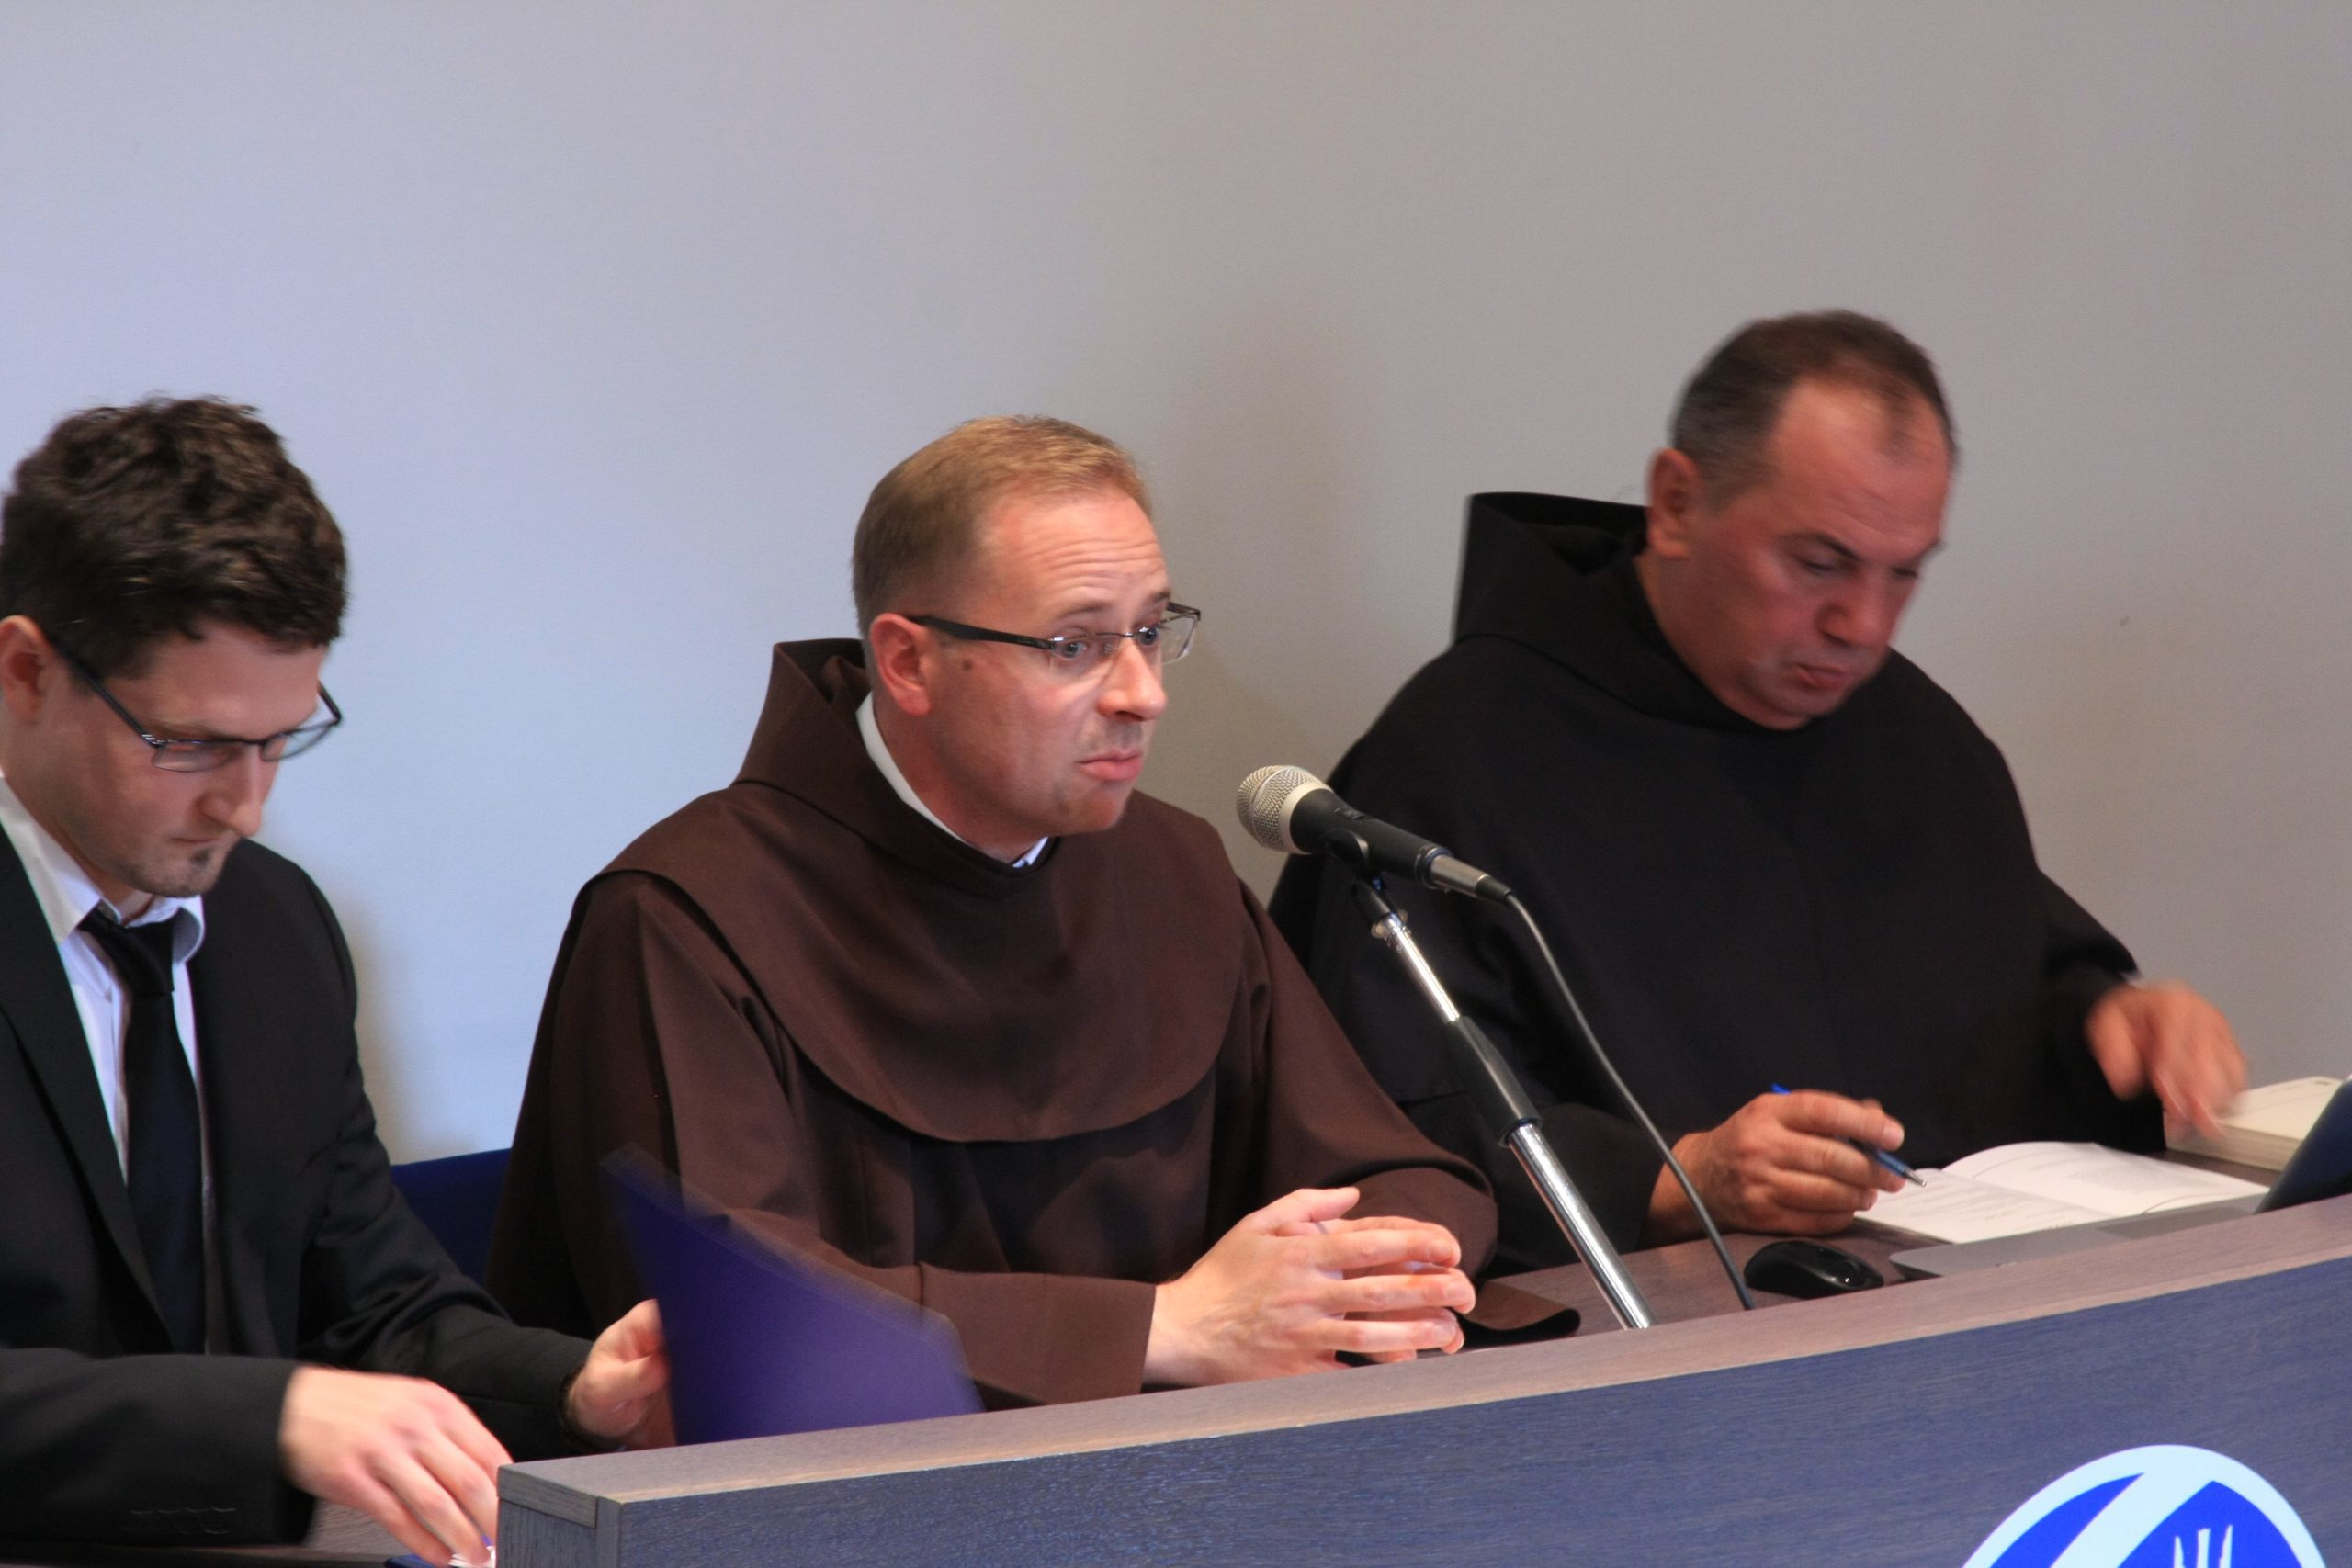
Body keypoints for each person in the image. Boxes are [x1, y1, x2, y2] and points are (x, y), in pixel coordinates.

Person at [490, 415, 1496, 1407]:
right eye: (1075, 644)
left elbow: (1391, 1172)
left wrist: (1350, 1282)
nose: (1143, 694)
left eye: (1150, 632)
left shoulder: (1172, 870)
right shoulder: (684, 916)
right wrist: (1163, 1329)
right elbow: (730, 1320)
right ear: (908, 663)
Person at [1269, 311, 2245, 1274]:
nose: (1863, 625)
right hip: (1654, 1344)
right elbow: (1379, 1130)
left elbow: (2003, 998)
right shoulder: (1461, 753)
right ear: (1676, 503)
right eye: (1818, 564)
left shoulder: (1915, 735)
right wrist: (1675, 1178)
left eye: (1902, 574)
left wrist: (2108, 1027)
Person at [0, 400, 670, 1562]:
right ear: (25, 671)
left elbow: (377, 1302)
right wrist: (270, 1415)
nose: (245, 806)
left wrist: (577, 1388)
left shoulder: (273, 925)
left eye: (281, 740)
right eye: (190, 743)